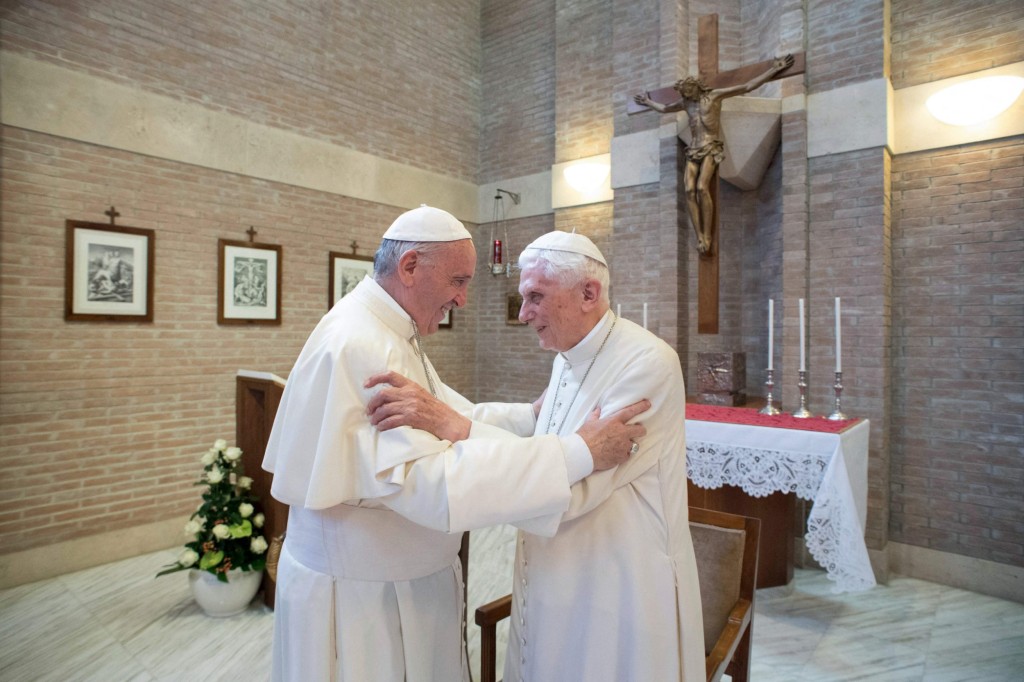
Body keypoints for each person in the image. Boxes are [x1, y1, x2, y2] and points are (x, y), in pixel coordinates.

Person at [262, 206, 649, 682]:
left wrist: (528, 419)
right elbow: (432, 485)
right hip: (366, 598)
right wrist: (578, 453)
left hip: (390, 581)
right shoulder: (365, 345)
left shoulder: (382, 329)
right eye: (458, 281)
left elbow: (446, 416)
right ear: (409, 268)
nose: (463, 300)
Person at [368, 230, 705, 681]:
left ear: (589, 293)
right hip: (556, 569)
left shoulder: (646, 363)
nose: (524, 314)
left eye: (535, 297)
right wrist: (455, 417)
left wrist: (457, 428)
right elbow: (548, 436)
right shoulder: (569, 354)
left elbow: (576, 487)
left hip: (619, 581)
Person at [634, 54, 794, 256]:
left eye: (689, 91)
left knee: (702, 187)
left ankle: (707, 236)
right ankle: (700, 234)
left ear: (696, 87)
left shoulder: (715, 96)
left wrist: (774, 69)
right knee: (689, 190)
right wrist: (648, 102)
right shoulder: (686, 103)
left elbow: (746, 87)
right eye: (684, 93)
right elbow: (666, 108)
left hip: (711, 146)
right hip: (693, 149)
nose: (686, 95)